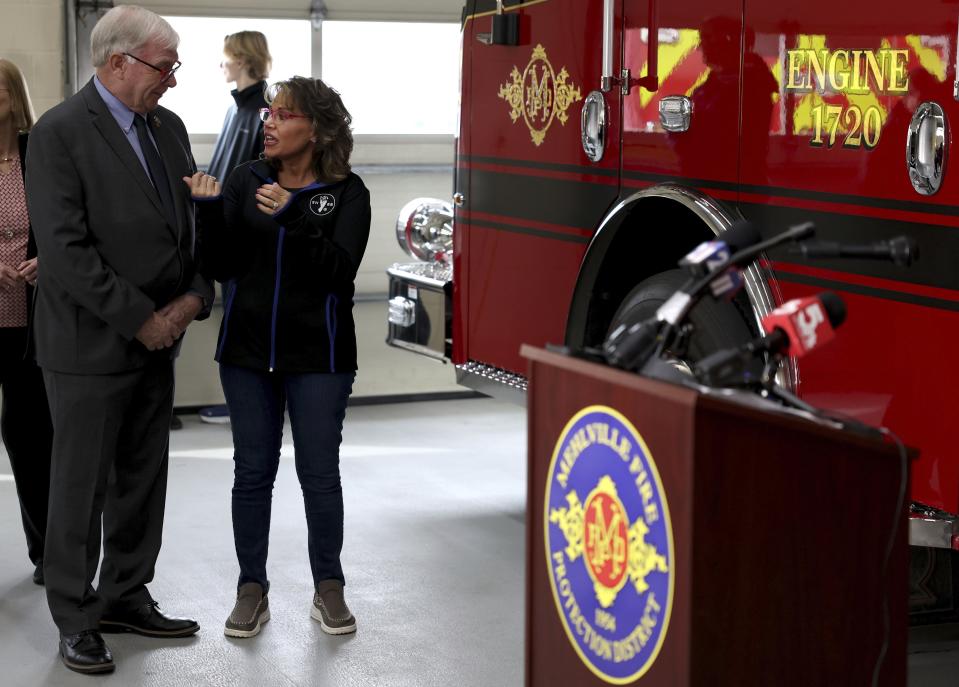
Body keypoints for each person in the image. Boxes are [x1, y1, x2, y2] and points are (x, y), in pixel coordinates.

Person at [25, 5, 213, 675]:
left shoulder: (167, 128)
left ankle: (125, 595)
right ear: (116, 64)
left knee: (142, 478)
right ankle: (75, 616)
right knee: (79, 488)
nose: (172, 81)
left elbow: (187, 224)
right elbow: (66, 251)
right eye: (165, 68)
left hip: (157, 339)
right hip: (88, 344)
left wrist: (192, 296)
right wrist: (143, 317)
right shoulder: (59, 133)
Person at [186, 76, 370, 639]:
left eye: (284, 115)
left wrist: (294, 217)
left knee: (319, 474)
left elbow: (340, 273)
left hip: (321, 355)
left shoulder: (347, 192)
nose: (269, 121)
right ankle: (251, 589)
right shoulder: (247, 179)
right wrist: (209, 211)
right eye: (269, 112)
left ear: (315, 129)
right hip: (245, 354)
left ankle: (329, 588)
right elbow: (221, 265)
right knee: (252, 473)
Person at [199, 30, 271, 425]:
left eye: (226, 57)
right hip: (226, 232)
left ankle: (253, 404)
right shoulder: (235, 110)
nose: (222, 64)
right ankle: (244, 400)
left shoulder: (264, 110)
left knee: (250, 317)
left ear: (243, 59)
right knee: (235, 317)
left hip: (248, 239)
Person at [0, 58, 53, 588]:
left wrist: (51, 259)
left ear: (14, 97)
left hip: (32, 323)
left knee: (31, 437)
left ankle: (48, 553)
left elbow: (71, 222)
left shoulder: (41, 153)